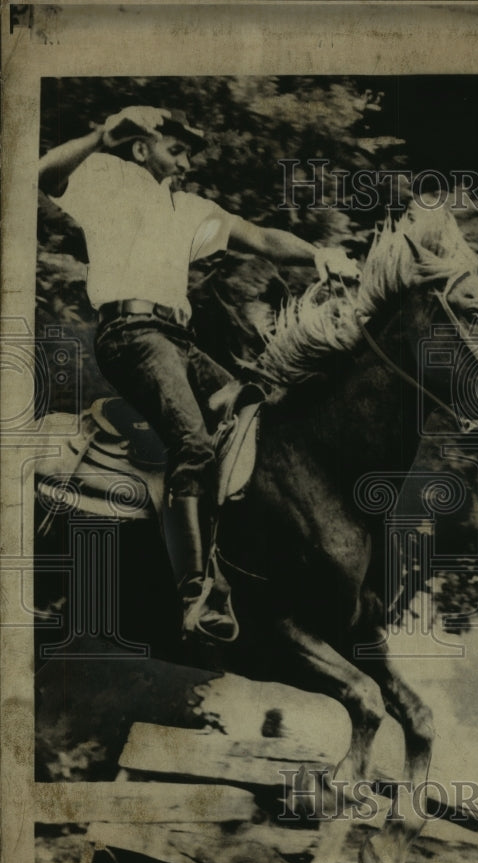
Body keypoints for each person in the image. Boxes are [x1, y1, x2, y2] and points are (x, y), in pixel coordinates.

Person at [38, 105, 359, 643]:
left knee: (253, 408)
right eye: (176, 148)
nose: (186, 160)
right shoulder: (108, 177)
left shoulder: (190, 209)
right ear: (142, 149)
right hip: (132, 334)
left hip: (178, 340)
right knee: (195, 445)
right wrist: (100, 134)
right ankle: (196, 592)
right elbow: (45, 175)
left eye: (189, 151)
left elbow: (259, 236)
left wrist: (319, 253)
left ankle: (233, 551)